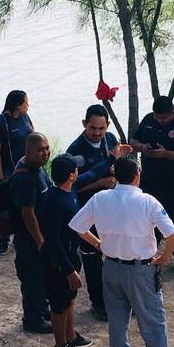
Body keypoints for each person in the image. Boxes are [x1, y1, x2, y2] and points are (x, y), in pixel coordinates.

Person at [70, 156, 174, 347]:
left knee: (117, 323)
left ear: (115, 176)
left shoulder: (100, 198)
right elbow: (172, 235)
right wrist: (163, 259)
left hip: (111, 267)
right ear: (137, 175)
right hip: (141, 269)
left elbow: (76, 225)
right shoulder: (147, 202)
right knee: (152, 322)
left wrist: (100, 244)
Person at [66, 104, 132, 320]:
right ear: (84, 124)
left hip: (113, 212)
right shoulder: (74, 151)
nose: (97, 133)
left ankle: (121, 298)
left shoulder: (111, 140)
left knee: (117, 256)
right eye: (93, 128)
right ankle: (99, 303)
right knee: (92, 260)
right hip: (89, 212)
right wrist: (101, 183)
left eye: (101, 128)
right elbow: (71, 187)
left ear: (107, 126)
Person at [130, 95, 174, 276]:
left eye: (164, 118)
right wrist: (143, 148)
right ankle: (147, 256)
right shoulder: (148, 120)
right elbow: (133, 142)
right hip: (150, 181)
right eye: (157, 117)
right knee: (147, 219)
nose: (160, 121)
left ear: (172, 112)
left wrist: (166, 154)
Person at [39, 154, 96, 347]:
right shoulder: (55, 200)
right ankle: (60, 346)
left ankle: (70, 337)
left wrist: (98, 244)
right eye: (77, 169)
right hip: (57, 260)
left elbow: (77, 226)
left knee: (69, 298)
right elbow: (53, 240)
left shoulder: (68, 192)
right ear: (72, 175)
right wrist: (68, 269)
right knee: (58, 303)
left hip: (70, 255)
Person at [10, 132, 53, 333]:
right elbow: (28, 214)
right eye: (40, 150)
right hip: (29, 240)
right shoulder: (24, 178)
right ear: (28, 152)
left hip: (41, 235)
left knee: (43, 277)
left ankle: (43, 311)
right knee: (32, 278)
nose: (45, 153)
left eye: (47, 148)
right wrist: (40, 241)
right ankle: (33, 319)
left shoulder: (38, 168)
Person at [0, 90, 34, 255]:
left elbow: (33, 136)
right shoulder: (1, 123)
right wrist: (1, 177)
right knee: (6, 206)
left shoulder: (25, 118)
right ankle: (3, 241)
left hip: (26, 168)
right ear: (17, 105)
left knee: (26, 204)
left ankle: (21, 237)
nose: (28, 106)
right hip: (9, 170)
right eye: (26, 103)